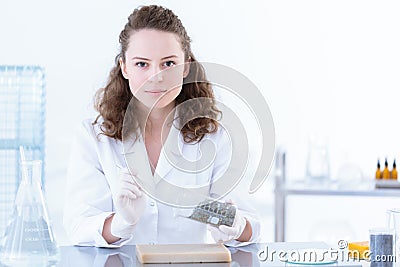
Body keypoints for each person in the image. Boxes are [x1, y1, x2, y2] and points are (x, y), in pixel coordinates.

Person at [63, 5, 260, 247]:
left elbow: (251, 228)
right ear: (124, 67)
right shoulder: (94, 138)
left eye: (168, 64)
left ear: (186, 66)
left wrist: (234, 226)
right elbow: (78, 228)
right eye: (142, 64)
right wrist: (122, 222)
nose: (156, 76)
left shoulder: (216, 137)